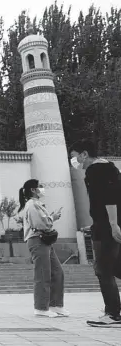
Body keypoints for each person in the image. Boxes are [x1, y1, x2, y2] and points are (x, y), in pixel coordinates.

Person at [70, 140, 121, 327]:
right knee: (116, 267)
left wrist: (113, 224)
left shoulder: (95, 170)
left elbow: (110, 197)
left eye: (74, 156)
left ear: (84, 154)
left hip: (106, 225)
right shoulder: (109, 167)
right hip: (110, 222)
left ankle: (113, 314)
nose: (73, 161)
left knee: (103, 269)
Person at [18, 179, 67, 318]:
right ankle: (40, 307)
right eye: (40, 187)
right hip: (37, 240)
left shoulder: (36, 204)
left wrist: (50, 218)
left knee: (57, 272)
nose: (42, 189)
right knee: (43, 274)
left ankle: (56, 305)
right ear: (33, 190)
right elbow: (41, 224)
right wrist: (53, 218)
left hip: (43, 241)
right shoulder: (32, 205)